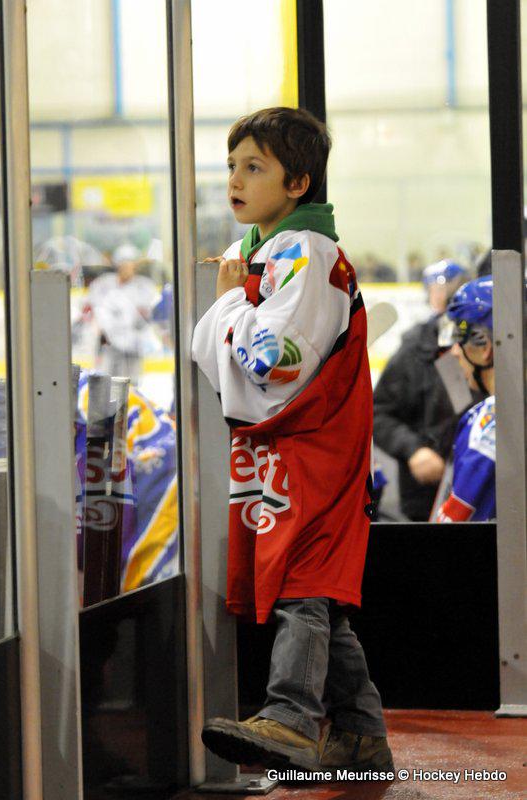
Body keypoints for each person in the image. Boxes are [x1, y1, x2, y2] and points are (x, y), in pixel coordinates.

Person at [192, 107, 393, 773]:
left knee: (302, 580)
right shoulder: (271, 250)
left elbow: (275, 358)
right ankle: (360, 732)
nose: (235, 181)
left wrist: (225, 304)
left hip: (312, 444)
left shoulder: (305, 252)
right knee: (312, 583)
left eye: (255, 167)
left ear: (298, 183)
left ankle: (291, 718)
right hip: (296, 443)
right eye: (231, 166)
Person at [373, 260, 468, 521]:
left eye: (448, 289)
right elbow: (378, 413)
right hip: (424, 498)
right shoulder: (415, 347)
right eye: (436, 289)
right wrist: (413, 449)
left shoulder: (479, 344)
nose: (441, 296)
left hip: (477, 487)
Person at [436, 277, 495, 522]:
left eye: (462, 336)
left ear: (485, 346)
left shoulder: (488, 426)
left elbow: (454, 529)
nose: (455, 351)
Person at [87, 243, 160, 384]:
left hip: (133, 346)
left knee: (132, 384)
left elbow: (150, 315)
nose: (127, 268)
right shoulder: (103, 284)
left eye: (130, 264)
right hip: (108, 346)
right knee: (106, 383)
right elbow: (93, 309)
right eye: (123, 264)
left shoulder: (144, 287)